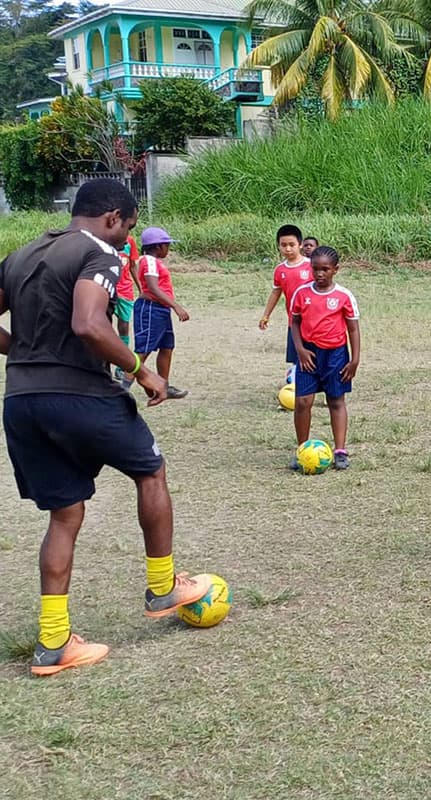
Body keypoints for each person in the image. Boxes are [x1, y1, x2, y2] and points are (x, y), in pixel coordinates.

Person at [0, 179, 211, 676]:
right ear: (113, 217)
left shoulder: (22, 254)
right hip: (79, 394)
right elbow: (89, 325)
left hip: (22, 400)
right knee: (150, 471)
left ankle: (53, 643)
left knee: (65, 514)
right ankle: (163, 586)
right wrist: (142, 370)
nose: (127, 241)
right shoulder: (99, 252)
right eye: (128, 229)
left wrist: (26, 353)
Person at [290, 246, 360, 470]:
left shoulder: (344, 296)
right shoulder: (302, 294)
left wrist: (355, 359)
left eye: (325, 269)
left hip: (336, 354)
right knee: (302, 402)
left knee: (336, 400)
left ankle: (340, 451)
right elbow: (295, 323)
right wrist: (299, 349)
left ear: (335, 270)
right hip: (308, 353)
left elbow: (353, 329)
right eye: (315, 269)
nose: (319, 274)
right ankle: (302, 450)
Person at [131, 226, 189, 399]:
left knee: (166, 347)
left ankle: (163, 385)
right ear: (157, 246)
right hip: (151, 309)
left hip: (160, 309)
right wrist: (176, 306)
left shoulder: (153, 261)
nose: (168, 249)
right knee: (143, 349)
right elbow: (153, 288)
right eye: (166, 246)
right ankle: (122, 387)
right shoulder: (148, 261)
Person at [258, 225, 313, 376]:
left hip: (313, 321)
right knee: (297, 355)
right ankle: (296, 380)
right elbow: (276, 293)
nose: (288, 249)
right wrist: (266, 315)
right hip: (294, 321)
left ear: (300, 245)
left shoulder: (311, 266)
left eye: (292, 245)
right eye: (283, 245)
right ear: (278, 246)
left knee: (315, 354)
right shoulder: (280, 270)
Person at [112, 233, 140, 381]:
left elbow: (133, 266)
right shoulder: (104, 237)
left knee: (124, 327)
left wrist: (141, 288)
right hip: (107, 288)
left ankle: (120, 367)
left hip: (125, 291)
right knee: (102, 326)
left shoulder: (129, 241)